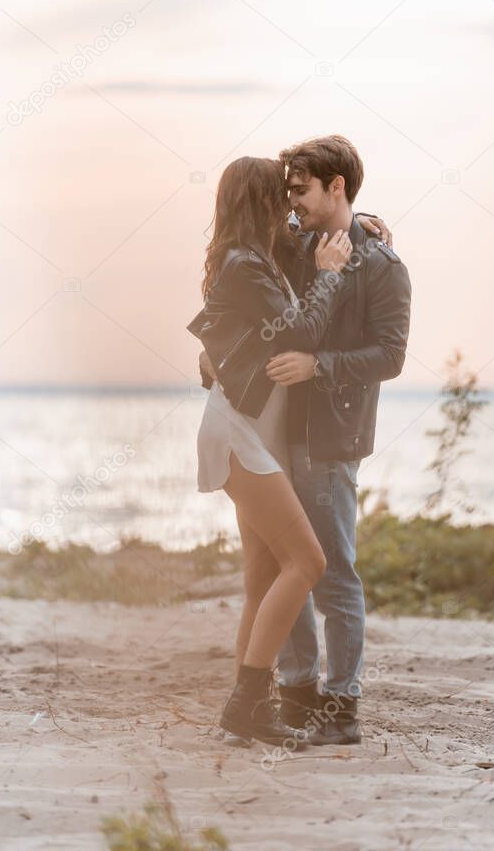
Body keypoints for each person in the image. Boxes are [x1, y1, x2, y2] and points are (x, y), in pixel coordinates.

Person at [186, 155, 353, 747]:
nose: (289, 204)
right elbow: (298, 334)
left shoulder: (257, 256)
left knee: (261, 580)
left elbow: (325, 222)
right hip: (239, 434)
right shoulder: (242, 266)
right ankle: (247, 705)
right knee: (307, 564)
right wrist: (330, 274)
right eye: (279, 195)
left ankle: (245, 714)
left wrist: (367, 223)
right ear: (258, 200)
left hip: (256, 433)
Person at [266, 135, 412, 746]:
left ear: (338, 187)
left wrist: (319, 366)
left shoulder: (383, 265)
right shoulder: (291, 247)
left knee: (334, 574)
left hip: (330, 438)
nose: (292, 202)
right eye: (288, 191)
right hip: (272, 431)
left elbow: (391, 356)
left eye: (301, 190)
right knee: (289, 568)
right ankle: (296, 695)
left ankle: (342, 710)